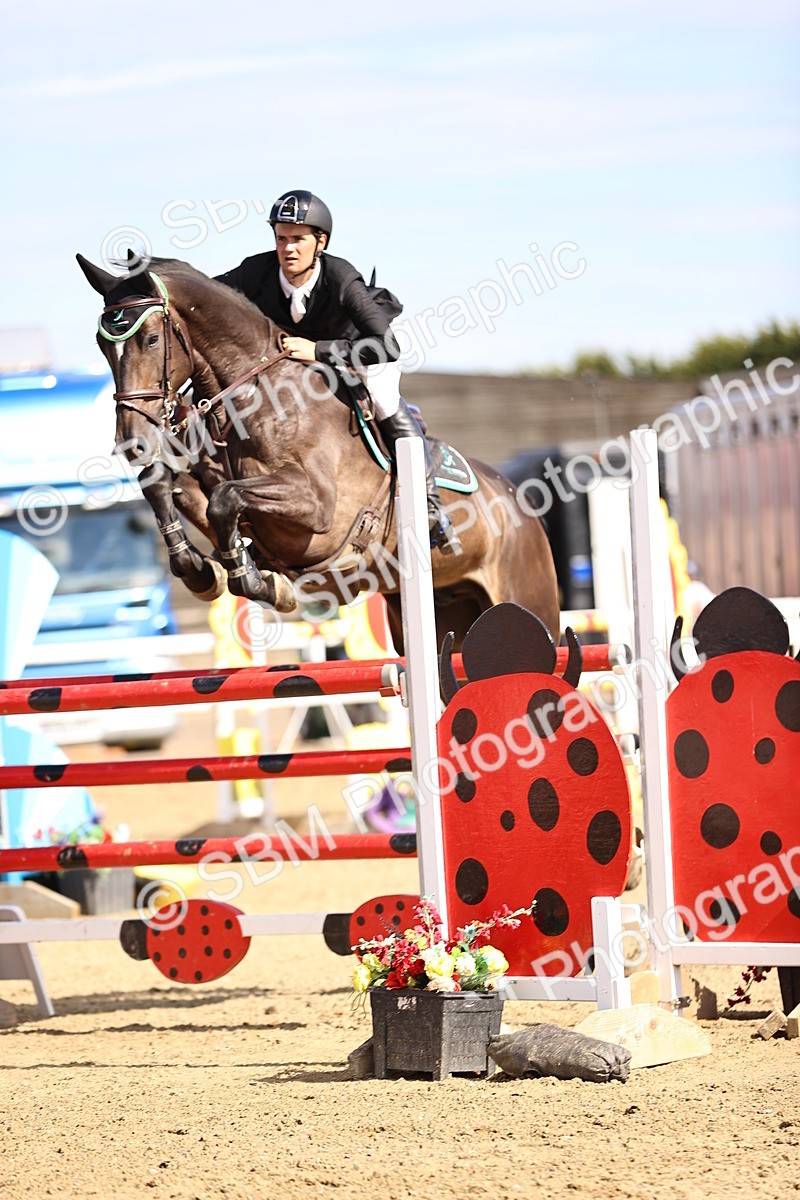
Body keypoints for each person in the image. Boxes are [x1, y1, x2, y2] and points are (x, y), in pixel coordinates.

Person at [215, 189, 458, 551]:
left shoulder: (341, 277)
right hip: (296, 360)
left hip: (360, 349)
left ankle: (430, 505)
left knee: (383, 398)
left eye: (298, 239)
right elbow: (203, 292)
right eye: (281, 239)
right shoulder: (256, 270)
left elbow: (387, 346)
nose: (288, 249)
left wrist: (318, 350)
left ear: (321, 241)